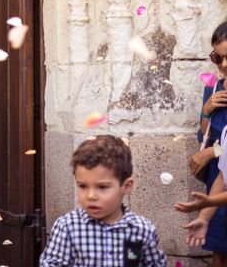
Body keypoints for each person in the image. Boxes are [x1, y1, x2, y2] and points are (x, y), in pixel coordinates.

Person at [39, 135, 167, 266]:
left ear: (126, 186)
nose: (91, 196)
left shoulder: (142, 229)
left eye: (102, 187)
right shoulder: (67, 227)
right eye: (83, 186)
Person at [186, 22, 227, 266]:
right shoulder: (214, 87)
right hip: (219, 178)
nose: (223, 65)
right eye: (217, 58)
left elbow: (214, 147)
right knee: (220, 250)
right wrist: (206, 109)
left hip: (221, 166)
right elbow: (205, 138)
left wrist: (214, 151)